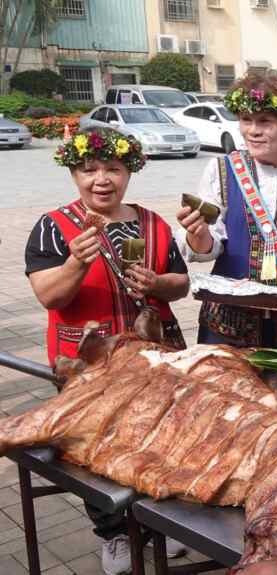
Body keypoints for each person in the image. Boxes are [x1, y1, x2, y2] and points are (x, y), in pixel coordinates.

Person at [25, 127, 190, 575]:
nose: (101, 179)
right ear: (74, 173)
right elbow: (49, 296)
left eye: (113, 168)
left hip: (156, 351)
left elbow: (182, 282)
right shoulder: (54, 227)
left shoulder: (152, 223)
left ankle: (158, 524)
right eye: (89, 169)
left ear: (128, 171)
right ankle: (114, 534)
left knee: (161, 438)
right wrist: (76, 263)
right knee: (96, 447)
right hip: (87, 362)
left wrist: (157, 284)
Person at [177, 73, 277, 348]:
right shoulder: (221, 170)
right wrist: (198, 235)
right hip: (227, 327)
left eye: (265, 121)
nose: (252, 131)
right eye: (246, 120)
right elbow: (209, 245)